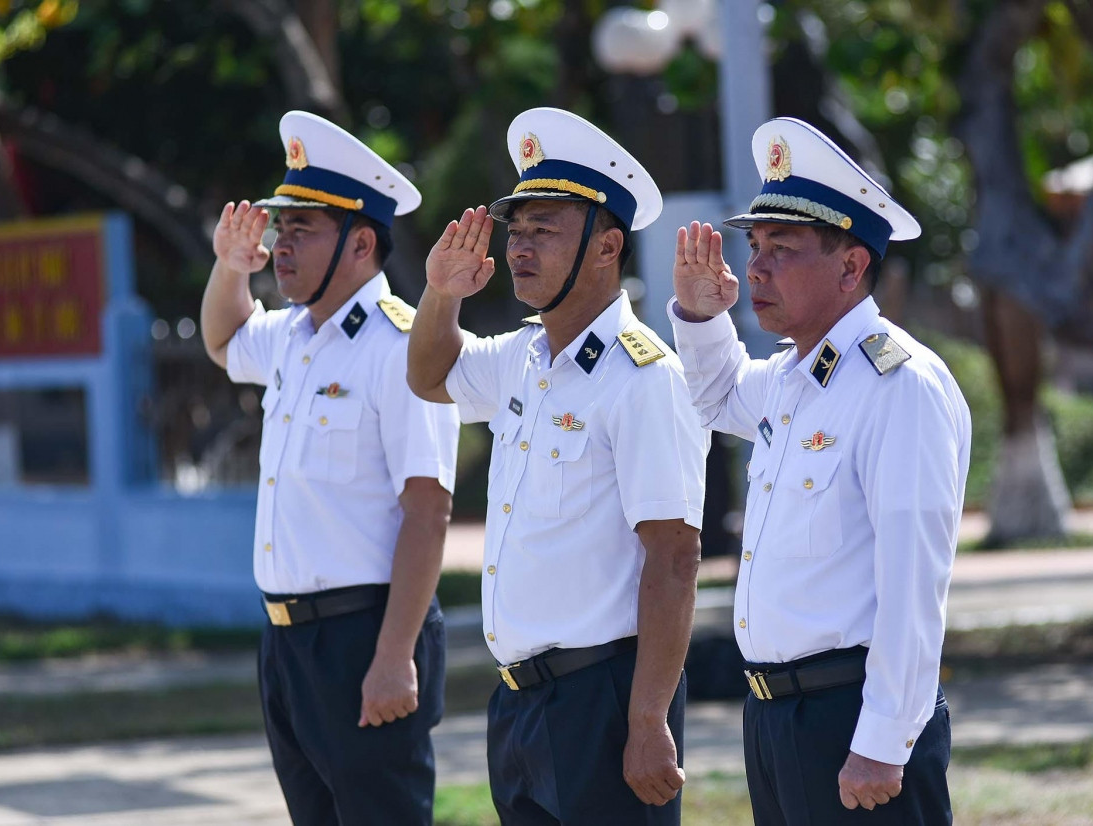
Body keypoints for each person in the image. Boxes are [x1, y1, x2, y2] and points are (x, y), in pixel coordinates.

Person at [406, 107, 708, 825]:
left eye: (544, 230)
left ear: (606, 247)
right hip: (519, 700)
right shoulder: (522, 355)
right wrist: (442, 292)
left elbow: (674, 556)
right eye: (516, 230)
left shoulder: (644, 378)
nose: (520, 247)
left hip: (601, 695)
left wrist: (647, 721)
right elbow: (429, 376)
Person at [668, 117, 972, 824]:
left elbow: (914, 582)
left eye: (784, 248)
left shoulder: (899, 384)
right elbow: (715, 396)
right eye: (755, 246)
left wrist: (884, 741)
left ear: (851, 267)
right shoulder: (793, 377)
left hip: (850, 717)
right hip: (777, 717)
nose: (756, 269)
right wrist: (700, 316)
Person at [199, 110, 459, 826]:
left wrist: (394, 657)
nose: (281, 245)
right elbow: (222, 341)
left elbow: (428, 511)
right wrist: (231, 265)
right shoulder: (293, 334)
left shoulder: (402, 347)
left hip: (365, 634)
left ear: (361, 243)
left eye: (302, 230)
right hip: (287, 640)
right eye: (280, 228)